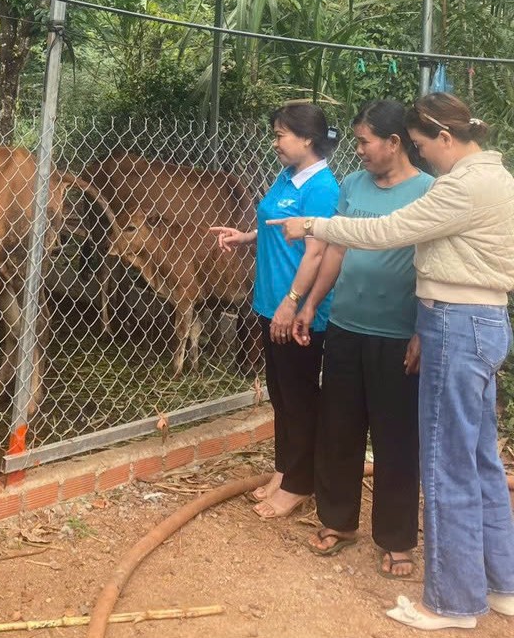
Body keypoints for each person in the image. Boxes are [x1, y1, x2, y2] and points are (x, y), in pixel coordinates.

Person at [270, 92, 514, 630]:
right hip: (472, 320)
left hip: (455, 322)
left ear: (443, 139)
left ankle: (451, 602)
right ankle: (502, 586)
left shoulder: (460, 185)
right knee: (478, 463)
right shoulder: (494, 177)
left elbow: (388, 233)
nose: (428, 157)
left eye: (427, 146)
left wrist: (314, 226)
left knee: (447, 467)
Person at [293, 100, 433, 579]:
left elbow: (435, 268)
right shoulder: (352, 186)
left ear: (394, 143)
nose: (359, 151)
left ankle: (396, 539)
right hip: (348, 327)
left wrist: (423, 330)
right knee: (339, 428)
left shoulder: (429, 193)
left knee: (396, 439)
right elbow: (335, 247)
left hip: (397, 335)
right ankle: (338, 521)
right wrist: (312, 304)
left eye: (364, 142)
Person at [211, 102, 339, 519]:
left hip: (298, 312)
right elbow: (277, 226)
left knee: (300, 397)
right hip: (271, 303)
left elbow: (318, 253)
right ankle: (285, 471)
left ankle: (300, 485)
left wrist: (291, 303)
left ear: (307, 139)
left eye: (281, 134)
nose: (275, 142)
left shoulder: (321, 187)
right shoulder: (288, 177)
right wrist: (245, 237)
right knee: (281, 396)